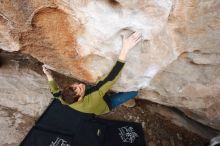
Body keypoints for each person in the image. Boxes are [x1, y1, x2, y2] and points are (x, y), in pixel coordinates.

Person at [42, 31, 142, 115]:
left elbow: (54, 92)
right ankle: (129, 102)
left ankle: (111, 93)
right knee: (134, 91)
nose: (80, 85)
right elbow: (112, 77)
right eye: (79, 89)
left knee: (100, 87)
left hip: (93, 96)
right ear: (80, 98)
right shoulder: (93, 98)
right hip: (106, 105)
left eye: (74, 86)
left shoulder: (64, 98)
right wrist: (125, 48)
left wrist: (49, 75)